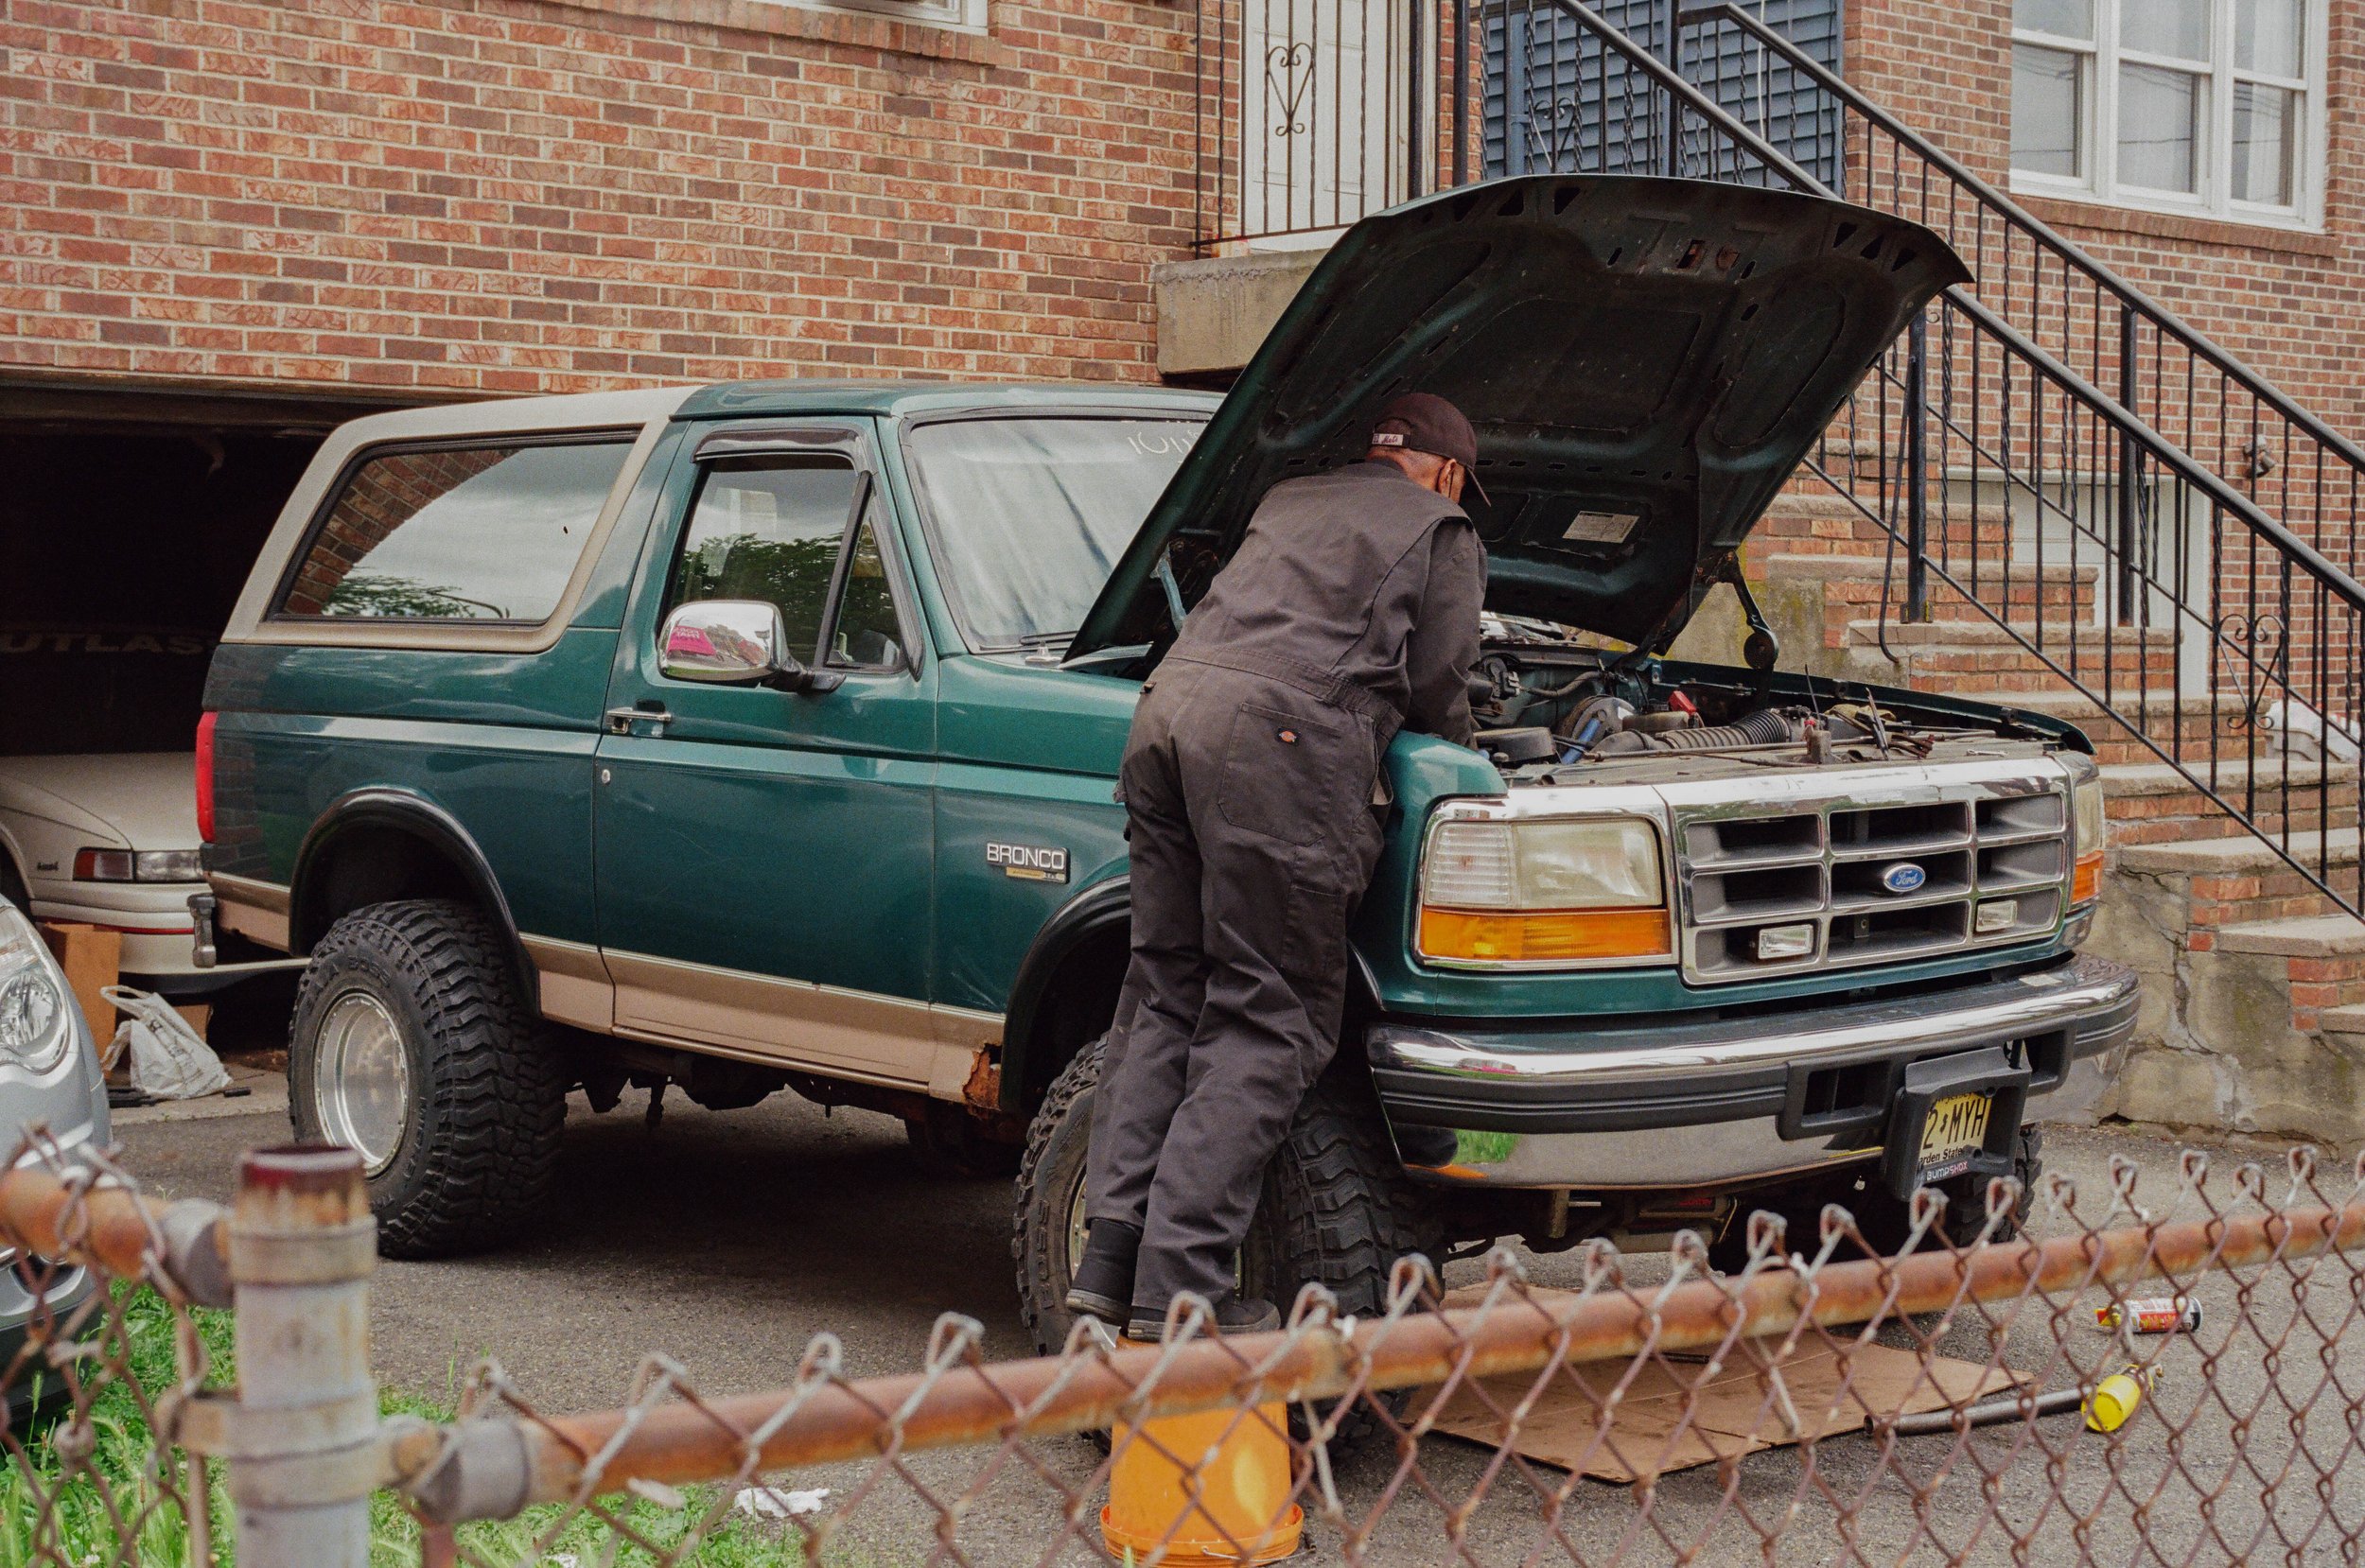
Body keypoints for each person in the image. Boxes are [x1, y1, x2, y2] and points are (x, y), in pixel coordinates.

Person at [1069, 392, 1490, 1340]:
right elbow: (1436, 684)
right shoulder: (1441, 525)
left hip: (1166, 714)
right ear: (1450, 472)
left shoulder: (1287, 499)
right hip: (1274, 747)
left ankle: (1109, 1261)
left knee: (1164, 992)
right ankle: (1183, 1292)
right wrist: (1474, 750)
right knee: (1266, 1015)